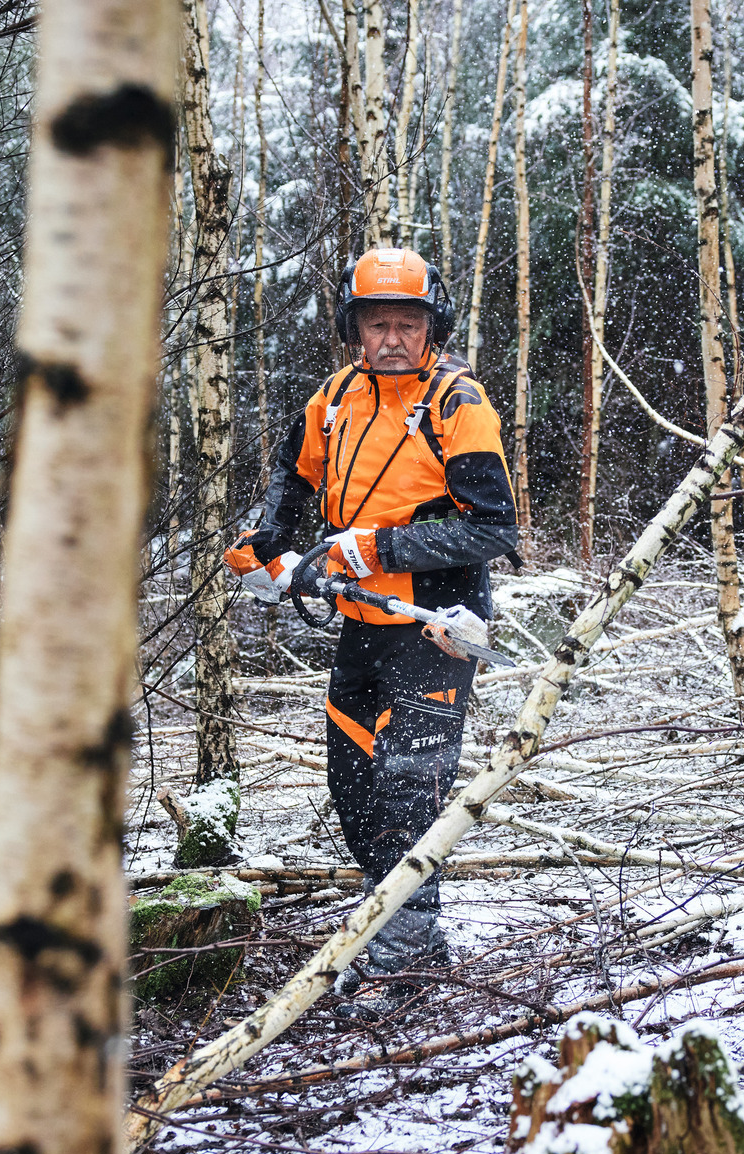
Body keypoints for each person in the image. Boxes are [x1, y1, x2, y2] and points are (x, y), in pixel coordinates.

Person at [223, 247, 518, 1021]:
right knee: (351, 789)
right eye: (377, 323)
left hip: (437, 625)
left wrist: (376, 546)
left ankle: (408, 954)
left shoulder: (459, 404)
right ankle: (386, 922)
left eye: (407, 323)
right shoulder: (334, 398)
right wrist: (269, 545)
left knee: (407, 792)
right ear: (355, 326)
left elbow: (493, 527)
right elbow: (294, 476)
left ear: (432, 325)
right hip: (360, 625)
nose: (392, 337)